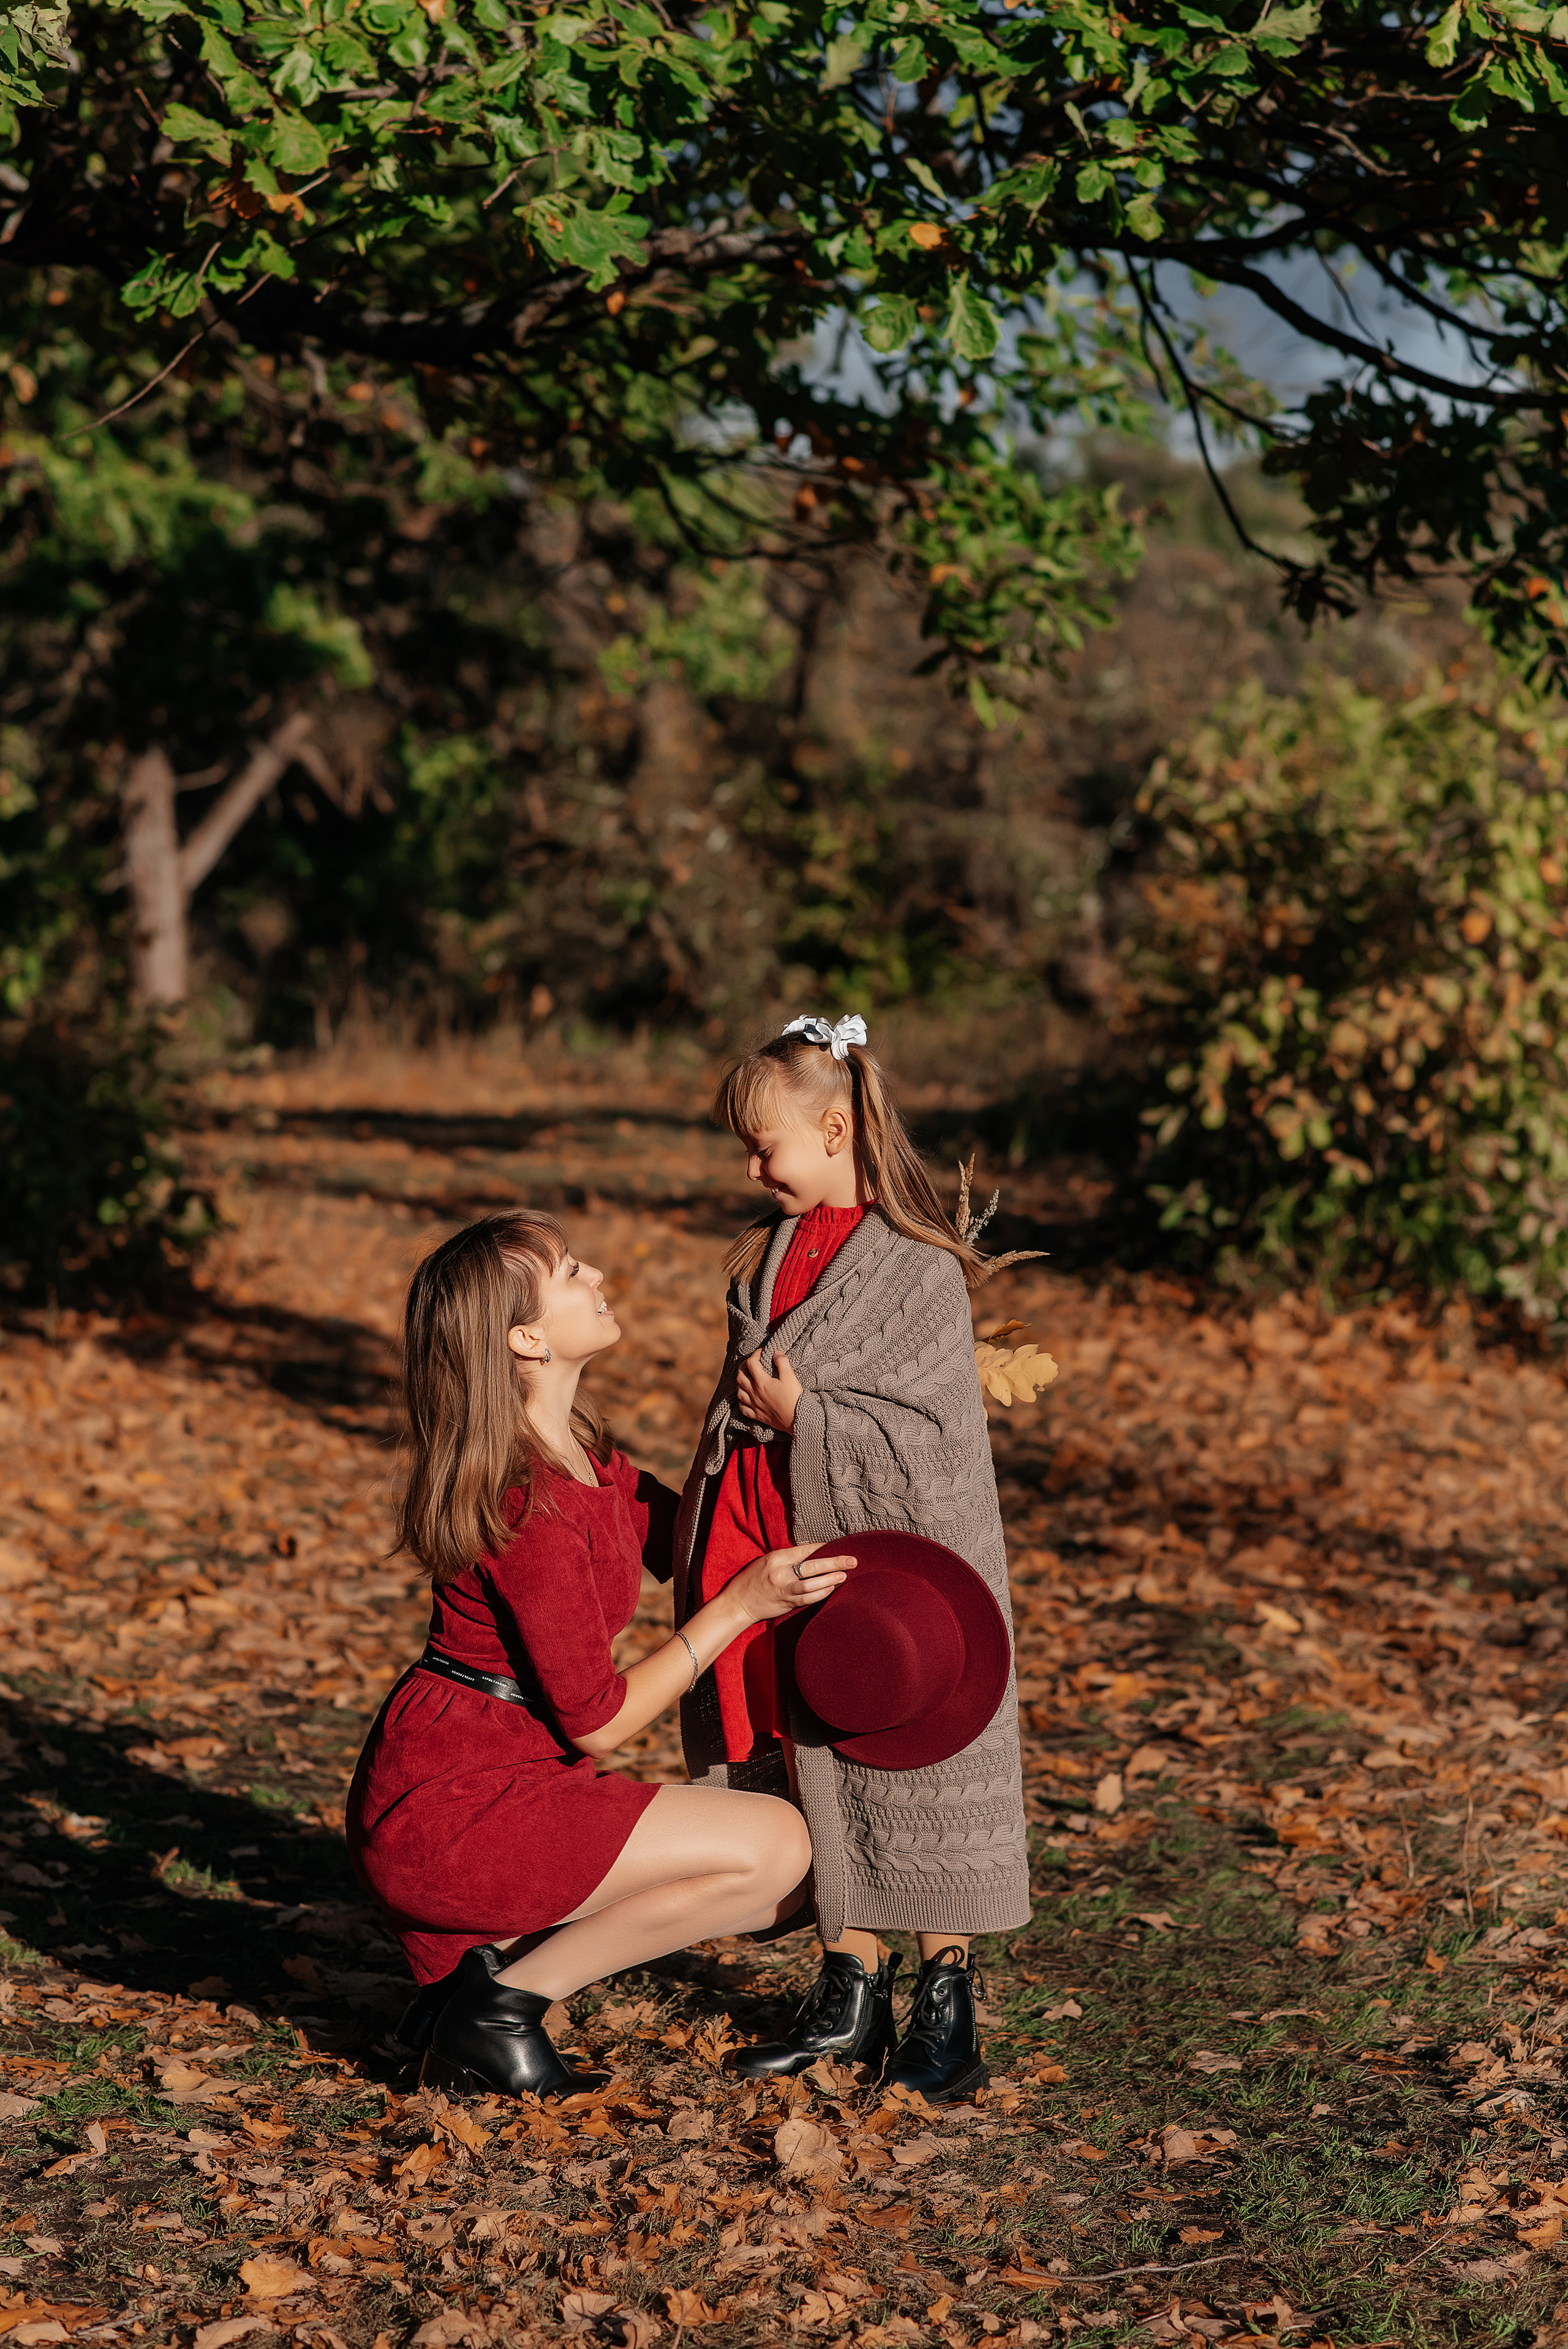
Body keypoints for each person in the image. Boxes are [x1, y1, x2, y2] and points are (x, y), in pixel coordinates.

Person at [346, 1208, 853, 2099]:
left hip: (507, 1772)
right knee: (777, 1845)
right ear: (526, 1337)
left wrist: (792, 1424)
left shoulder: (586, 1451)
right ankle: (498, 2008)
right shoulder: (526, 1499)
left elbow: (690, 1541)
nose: (600, 1276)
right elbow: (602, 1723)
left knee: (782, 1885)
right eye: (574, 1271)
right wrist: (741, 1609)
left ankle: (477, 1984)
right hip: (455, 1803)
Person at [673, 1013, 1031, 2102]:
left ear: (834, 1128)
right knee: (819, 1750)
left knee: (912, 1747)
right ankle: (850, 1991)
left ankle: (947, 1998)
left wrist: (806, 1417)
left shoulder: (917, 1271)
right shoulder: (774, 1252)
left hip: (903, 1566)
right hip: (790, 1547)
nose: (751, 1168)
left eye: (764, 1146)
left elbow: (934, 1440)